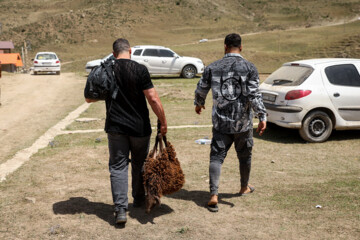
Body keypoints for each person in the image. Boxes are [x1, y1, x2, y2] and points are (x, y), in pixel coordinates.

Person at [85, 38, 167, 224]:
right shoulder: (140, 69)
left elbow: (89, 98)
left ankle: (120, 210)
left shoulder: (108, 69)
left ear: (113, 53)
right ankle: (138, 199)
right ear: (130, 51)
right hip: (139, 128)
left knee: (118, 166)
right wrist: (163, 121)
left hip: (116, 128)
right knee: (139, 164)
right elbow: (153, 99)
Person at [194, 33, 266, 212]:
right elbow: (254, 94)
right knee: (245, 156)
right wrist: (262, 116)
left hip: (221, 123)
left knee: (216, 157)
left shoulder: (212, 67)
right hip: (243, 124)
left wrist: (199, 103)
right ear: (241, 47)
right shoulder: (250, 67)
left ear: (225, 46)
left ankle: (213, 195)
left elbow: (201, 88)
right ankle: (244, 187)